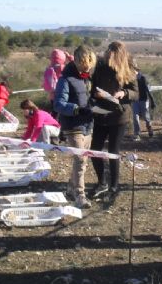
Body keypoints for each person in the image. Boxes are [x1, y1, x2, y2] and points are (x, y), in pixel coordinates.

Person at [89, 41, 138, 201]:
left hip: (119, 116)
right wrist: (95, 94)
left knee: (113, 152)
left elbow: (136, 93)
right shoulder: (101, 66)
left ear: (119, 55)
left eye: (112, 52)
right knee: (94, 149)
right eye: (108, 51)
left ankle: (114, 187)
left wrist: (124, 93)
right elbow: (93, 87)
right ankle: (102, 182)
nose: (109, 54)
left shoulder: (128, 68)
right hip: (101, 113)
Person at [53, 45, 97, 208]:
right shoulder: (65, 79)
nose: (87, 68)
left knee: (83, 161)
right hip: (73, 126)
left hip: (88, 124)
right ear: (77, 60)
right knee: (80, 160)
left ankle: (71, 188)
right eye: (84, 65)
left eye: (90, 65)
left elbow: (86, 97)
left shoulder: (87, 78)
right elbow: (58, 104)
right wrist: (77, 109)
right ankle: (80, 195)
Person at [131, 61, 155, 141]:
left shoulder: (143, 78)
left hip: (144, 100)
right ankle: (137, 134)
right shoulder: (130, 79)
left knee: (146, 117)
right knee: (135, 116)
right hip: (135, 100)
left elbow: (148, 90)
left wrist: (152, 101)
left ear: (136, 69)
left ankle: (150, 129)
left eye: (132, 69)